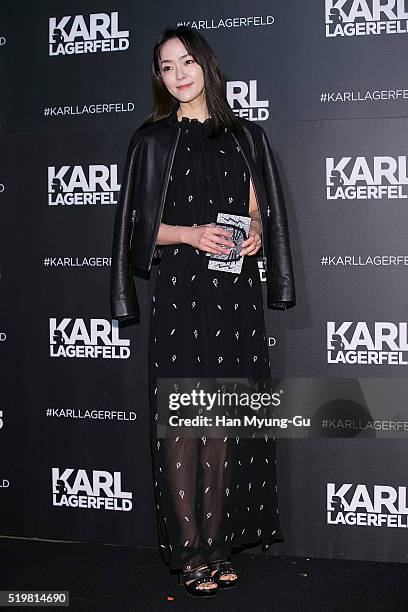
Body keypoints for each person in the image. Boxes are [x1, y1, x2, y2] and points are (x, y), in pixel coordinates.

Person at [110, 25, 296, 598]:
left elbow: (258, 210)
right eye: (166, 67)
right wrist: (190, 234)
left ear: (207, 66)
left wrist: (258, 234)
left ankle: (216, 544)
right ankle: (189, 550)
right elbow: (137, 230)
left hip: (234, 295)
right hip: (183, 294)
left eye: (186, 61)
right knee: (185, 424)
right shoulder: (151, 140)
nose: (178, 74)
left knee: (220, 423)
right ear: (160, 79)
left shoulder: (246, 137)